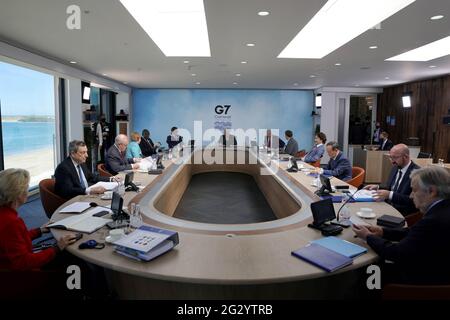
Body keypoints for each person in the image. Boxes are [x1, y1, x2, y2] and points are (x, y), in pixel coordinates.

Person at [353, 166, 450, 285]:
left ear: (432, 191)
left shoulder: (433, 220)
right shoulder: (442, 209)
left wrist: (368, 237)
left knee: (369, 270)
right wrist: (383, 232)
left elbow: (397, 253)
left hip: (421, 281)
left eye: (414, 190)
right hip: (435, 268)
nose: (411, 196)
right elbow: (414, 232)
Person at [0, 169, 77, 271]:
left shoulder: (5, 215)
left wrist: (40, 230)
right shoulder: (12, 222)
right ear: (18, 193)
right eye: (26, 188)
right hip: (21, 278)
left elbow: (15, 239)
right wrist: (57, 247)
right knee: (73, 259)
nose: (27, 191)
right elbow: (23, 262)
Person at [364, 144, 419, 216]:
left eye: (395, 157)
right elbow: (390, 188)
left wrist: (390, 195)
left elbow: (413, 201)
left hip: (403, 213)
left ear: (406, 157)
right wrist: (377, 187)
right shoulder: (395, 167)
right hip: (388, 206)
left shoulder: (417, 173)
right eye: (390, 157)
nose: (392, 161)